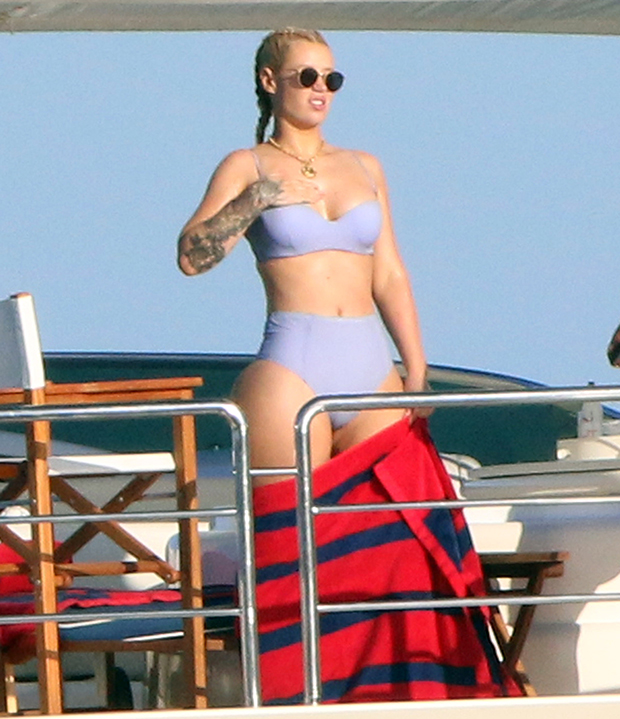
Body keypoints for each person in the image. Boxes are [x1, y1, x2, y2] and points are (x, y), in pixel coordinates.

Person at [177, 28, 428, 482]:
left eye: (332, 79)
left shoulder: (365, 165)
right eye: (308, 76)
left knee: (388, 518)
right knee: (288, 520)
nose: (321, 89)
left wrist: (416, 365)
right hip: (291, 366)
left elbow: (389, 273)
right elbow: (192, 259)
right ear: (270, 80)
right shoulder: (246, 165)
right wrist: (258, 198)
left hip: (373, 366)